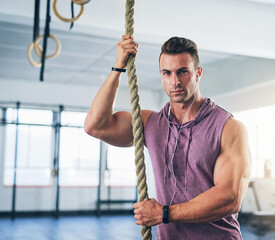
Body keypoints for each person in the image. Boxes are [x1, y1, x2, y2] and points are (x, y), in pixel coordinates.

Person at [84, 35, 252, 240]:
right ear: (161, 75)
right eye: (167, 73)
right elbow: (95, 126)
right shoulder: (151, 123)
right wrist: (118, 67)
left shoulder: (228, 127)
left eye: (183, 71)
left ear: (198, 73)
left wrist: (164, 213)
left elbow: (229, 198)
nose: (175, 81)